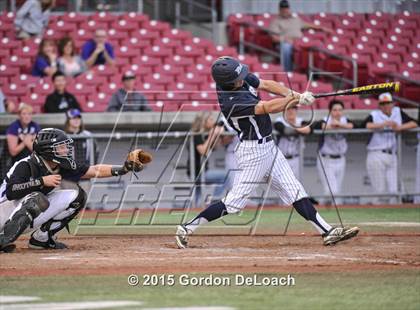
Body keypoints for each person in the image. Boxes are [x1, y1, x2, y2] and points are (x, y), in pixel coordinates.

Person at [175, 56, 359, 249]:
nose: (244, 77)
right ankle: (187, 228)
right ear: (228, 83)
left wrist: (294, 93)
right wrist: (294, 100)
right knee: (234, 203)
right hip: (253, 152)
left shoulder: (238, 78)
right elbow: (267, 107)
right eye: (239, 77)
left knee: (294, 190)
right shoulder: (231, 101)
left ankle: (327, 231)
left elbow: (266, 84)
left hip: (269, 147)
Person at [0, 128, 151, 252]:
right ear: (47, 149)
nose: (66, 149)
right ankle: (2, 240)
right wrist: (41, 181)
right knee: (36, 197)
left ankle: (41, 239)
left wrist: (124, 169)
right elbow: (12, 191)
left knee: (77, 196)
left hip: (24, 215)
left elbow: (95, 170)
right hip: (4, 212)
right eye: (61, 146)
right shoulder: (26, 165)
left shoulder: (59, 165)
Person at [364, 93, 417, 204]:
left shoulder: (398, 112)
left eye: (388, 103)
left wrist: (399, 127)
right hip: (376, 154)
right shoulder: (374, 114)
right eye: (383, 104)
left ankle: (396, 215)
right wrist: (382, 124)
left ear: (392, 103)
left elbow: (414, 123)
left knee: (395, 189)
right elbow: (365, 125)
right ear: (379, 105)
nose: (386, 106)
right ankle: (376, 216)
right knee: (379, 190)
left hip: (392, 155)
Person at [269, 0, 332, 71]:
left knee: (316, 45)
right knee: (286, 47)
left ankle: (317, 71)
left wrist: (321, 28)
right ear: (279, 9)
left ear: (289, 8)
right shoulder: (276, 21)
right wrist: (285, 39)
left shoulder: (296, 19)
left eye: (286, 8)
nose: (285, 10)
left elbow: (308, 25)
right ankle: (288, 72)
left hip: (299, 42)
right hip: (287, 42)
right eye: (283, 8)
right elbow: (274, 38)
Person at [317, 100, 353, 205]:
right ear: (330, 111)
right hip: (326, 159)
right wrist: (333, 125)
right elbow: (320, 126)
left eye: (340, 110)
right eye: (335, 110)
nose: (337, 112)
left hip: (341, 159)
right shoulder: (325, 120)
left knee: (336, 191)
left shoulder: (345, 120)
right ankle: (321, 205)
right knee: (332, 191)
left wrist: (339, 124)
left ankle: (322, 206)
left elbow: (352, 125)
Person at [188, 112, 227, 205]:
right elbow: (203, 151)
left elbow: (215, 147)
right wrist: (212, 135)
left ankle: (197, 207)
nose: (213, 121)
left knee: (197, 197)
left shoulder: (204, 134)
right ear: (203, 121)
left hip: (202, 170)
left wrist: (217, 135)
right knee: (225, 176)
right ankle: (212, 201)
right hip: (197, 172)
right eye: (210, 119)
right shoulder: (196, 134)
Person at [273, 105, 310, 179]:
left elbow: (307, 130)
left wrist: (296, 128)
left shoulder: (300, 121)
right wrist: (298, 129)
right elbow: (285, 130)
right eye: (288, 109)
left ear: (296, 110)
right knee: (282, 185)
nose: (291, 111)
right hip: (281, 159)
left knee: (297, 185)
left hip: (296, 159)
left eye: (293, 109)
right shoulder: (279, 120)